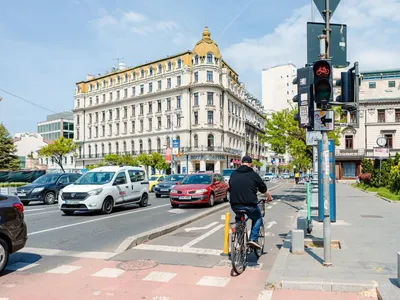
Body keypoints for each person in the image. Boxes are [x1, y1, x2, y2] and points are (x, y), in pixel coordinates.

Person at [229, 155, 272, 249]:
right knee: (257, 217)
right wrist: (269, 196)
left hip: (235, 205)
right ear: (250, 164)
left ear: (241, 163)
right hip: (250, 205)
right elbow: (263, 188)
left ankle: (239, 240)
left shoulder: (233, 173)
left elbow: (231, 187)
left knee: (239, 217)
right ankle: (253, 239)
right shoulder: (253, 174)